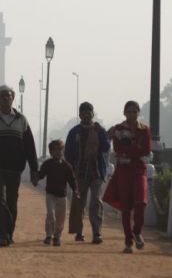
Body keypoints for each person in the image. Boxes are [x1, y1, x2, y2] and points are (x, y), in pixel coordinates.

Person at [0, 85, 39, 247]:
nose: (6, 98)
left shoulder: (21, 120)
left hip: (15, 168)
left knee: (12, 202)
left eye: (9, 96)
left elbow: (30, 146)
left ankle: (9, 233)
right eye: (3, 96)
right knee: (0, 200)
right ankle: (2, 234)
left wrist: (34, 168)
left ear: (13, 98)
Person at [102, 100, 152, 254]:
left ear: (138, 113)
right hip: (123, 170)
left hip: (139, 170)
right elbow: (118, 148)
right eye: (129, 112)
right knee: (125, 208)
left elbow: (146, 149)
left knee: (140, 203)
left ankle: (137, 231)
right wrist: (135, 150)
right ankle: (128, 241)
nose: (131, 115)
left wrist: (129, 151)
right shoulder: (119, 129)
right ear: (124, 113)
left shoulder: (144, 129)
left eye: (134, 112)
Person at [65, 101, 111, 244]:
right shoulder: (74, 132)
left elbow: (106, 147)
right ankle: (79, 232)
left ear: (92, 114)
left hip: (96, 171)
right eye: (83, 113)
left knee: (96, 201)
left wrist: (101, 134)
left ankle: (97, 232)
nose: (86, 115)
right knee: (79, 202)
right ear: (79, 115)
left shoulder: (99, 130)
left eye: (88, 113)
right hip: (79, 172)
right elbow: (68, 153)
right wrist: (71, 168)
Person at [38, 140, 78, 246]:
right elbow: (41, 175)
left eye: (59, 150)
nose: (57, 152)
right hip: (50, 194)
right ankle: (49, 235)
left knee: (61, 217)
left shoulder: (66, 166)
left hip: (62, 195)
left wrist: (76, 190)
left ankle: (57, 236)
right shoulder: (47, 164)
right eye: (54, 150)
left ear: (63, 151)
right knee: (51, 214)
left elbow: (72, 180)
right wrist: (35, 177)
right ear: (50, 152)